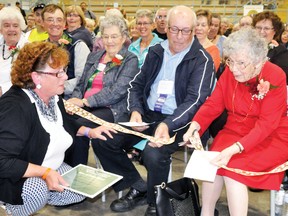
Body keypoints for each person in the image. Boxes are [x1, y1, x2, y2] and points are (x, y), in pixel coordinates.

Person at [93, 5, 215, 216]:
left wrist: (168, 124)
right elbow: (136, 85)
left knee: (154, 152)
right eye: (174, 29)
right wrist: (136, 111)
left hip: (180, 120)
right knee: (103, 138)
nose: (178, 36)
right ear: (165, 28)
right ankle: (135, 185)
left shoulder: (202, 60)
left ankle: (154, 200)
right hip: (148, 114)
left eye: (185, 30)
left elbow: (195, 101)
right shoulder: (156, 51)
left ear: (194, 30)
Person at [0, 41, 116, 215]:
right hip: (14, 176)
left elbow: (64, 124)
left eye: (64, 70)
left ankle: (44, 191)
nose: (65, 77)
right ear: (36, 77)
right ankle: (9, 207)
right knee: (36, 192)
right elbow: (3, 162)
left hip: (46, 164)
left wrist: (89, 131)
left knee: (77, 190)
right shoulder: (15, 107)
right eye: (58, 73)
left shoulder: (52, 97)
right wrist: (45, 173)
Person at [183, 28, 288, 215]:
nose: (233, 68)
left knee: (233, 170)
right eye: (230, 61)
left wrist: (236, 148)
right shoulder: (230, 73)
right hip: (235, 129)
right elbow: (214, 104)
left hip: (271, 135)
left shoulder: (275, 75)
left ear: (258, 62)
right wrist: (196, 125)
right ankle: (206, 212)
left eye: (241, 63)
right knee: (212, 163)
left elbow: (267, 124)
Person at [65, 16, 139, 166]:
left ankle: (77, 173)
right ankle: (64, 170)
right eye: (106, 36)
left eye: (114, 36)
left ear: (124, 37)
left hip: (111, 109)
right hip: (85, 106)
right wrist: (74, 101)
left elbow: (117, 91)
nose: (109, 41)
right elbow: (80, 84)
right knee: (62, 121)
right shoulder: (94, 56)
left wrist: (84, 101)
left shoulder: (130, 59)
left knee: (78, 126)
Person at [42, 4, 90, 99]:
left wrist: (55, 87)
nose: (55, 23)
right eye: (50, 20)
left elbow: (82, 79)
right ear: (42, 23)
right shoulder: (39, 48)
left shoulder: (78, 46)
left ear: (64, 23)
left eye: (59, 20)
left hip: (69, 98)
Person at [253, 11, 288, 83]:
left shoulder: (281, 52)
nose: (262, 32)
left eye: (266, 28)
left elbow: (281, 77)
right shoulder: (246, 48)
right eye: (258, 27)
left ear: (275, 31)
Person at [0, 6, 27, 94]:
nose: (11, 29)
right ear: (1, 29)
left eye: (15, 25)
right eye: (6, 25)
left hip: (15, 96)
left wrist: (2, 90)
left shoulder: (28, 48)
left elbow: (26, 78)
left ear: (21, 27)